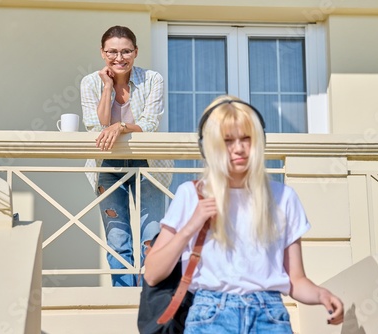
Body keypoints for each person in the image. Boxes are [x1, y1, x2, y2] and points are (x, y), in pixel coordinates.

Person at [143, 95, 344, 333]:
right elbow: (153, 274)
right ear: (210, 146)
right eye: (228, 140)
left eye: (246, 138)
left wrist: (321, 294)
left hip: (270, 316)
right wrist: (191, 225)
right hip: (211, 314)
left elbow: (296, 280)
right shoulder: (191, 194)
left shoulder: (283, 198)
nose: (239, 148)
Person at [80, 25, 172, 287]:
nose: (119, 58)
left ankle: (149, 298)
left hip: (149, 164)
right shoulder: (90, 83)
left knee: (151, 238)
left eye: (126, 51)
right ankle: (123, 298)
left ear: (136, 52)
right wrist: (108, 87)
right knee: (117, 240)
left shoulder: (153, 79)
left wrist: (120, 127)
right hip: (107, 166)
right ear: (102, 52)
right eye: (112, 52)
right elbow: (96, 126)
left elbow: (150, 124)